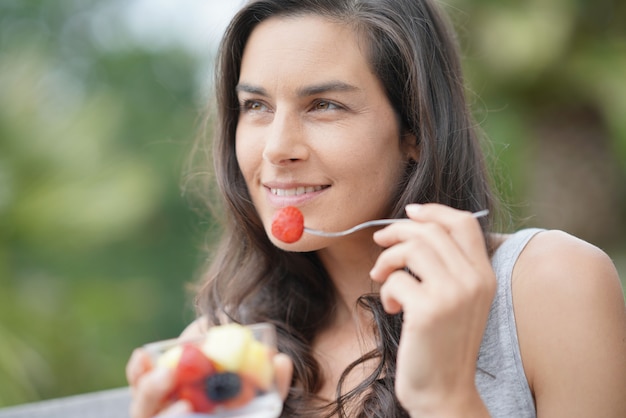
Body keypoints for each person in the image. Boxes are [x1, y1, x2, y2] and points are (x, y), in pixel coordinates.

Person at [126, 0, 626, 417]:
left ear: (415, 132)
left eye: (324, 105)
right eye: (256, 106)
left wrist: (445, 398)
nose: (277, 149)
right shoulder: (221, 351)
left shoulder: (551, 287)